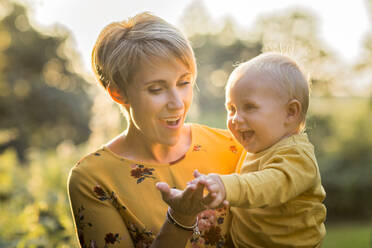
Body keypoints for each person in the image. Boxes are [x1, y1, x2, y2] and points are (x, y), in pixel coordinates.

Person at [67, 12, 243, 248]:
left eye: (184, 83)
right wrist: (180, 218)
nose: (177, 103)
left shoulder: (232, 146)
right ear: (118, 93)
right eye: (156, 89)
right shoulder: (93, 178)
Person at [190, 53, 327, 247]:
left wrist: (225, 186)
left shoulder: (298, 156)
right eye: (232, 108)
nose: (236, 118)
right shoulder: (257, 146)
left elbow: (267, 186)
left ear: (291, 112)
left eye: (249, 107)